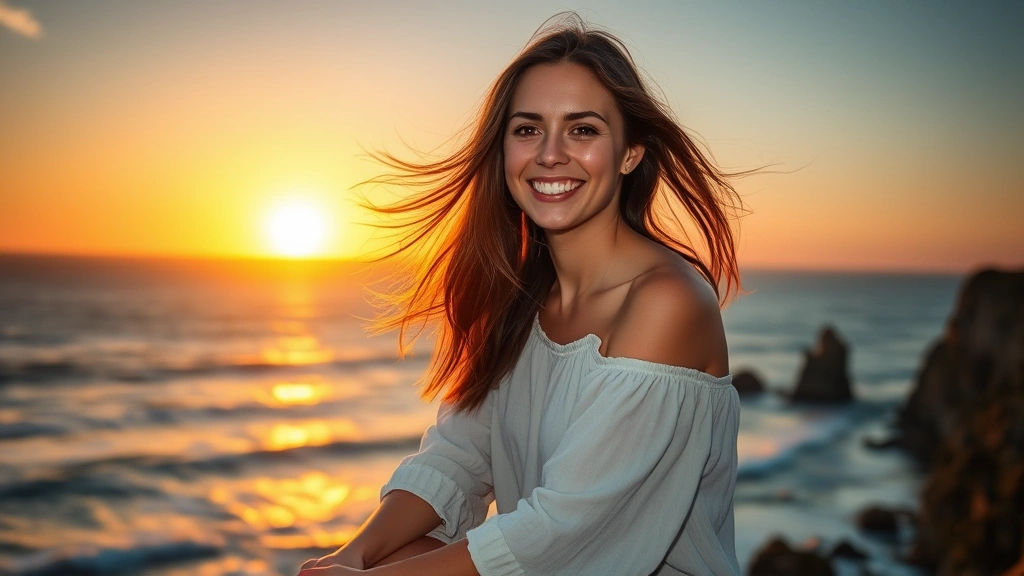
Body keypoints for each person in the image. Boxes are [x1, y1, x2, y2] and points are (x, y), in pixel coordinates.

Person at [299, 14, 744, 576]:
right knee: (390, 554)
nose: (550, 154)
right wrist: (352, 557)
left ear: (631, 153)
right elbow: (459, 459)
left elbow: (563, 532)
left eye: (583, 130)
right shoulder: (517, 298)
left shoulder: (666, 303)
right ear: (503, 149)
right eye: (527, 129)